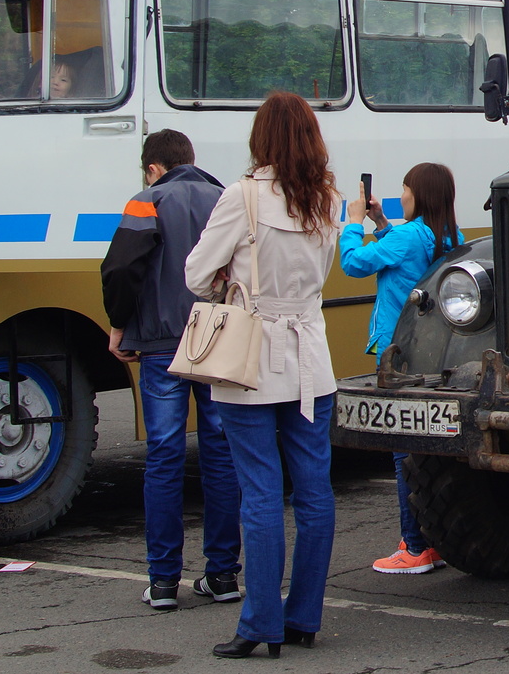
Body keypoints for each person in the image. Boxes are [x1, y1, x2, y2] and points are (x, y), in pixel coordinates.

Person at [185, 91, 342, 659]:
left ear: (262, 139)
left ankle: (260, 625)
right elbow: (323, 274)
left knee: (259, 493)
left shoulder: (242, 197)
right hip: (311, 363)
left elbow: (196, 275)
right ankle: (304, 617)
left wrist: (233, 272)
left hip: (249, 360)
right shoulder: (328, 200)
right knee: (315, 492)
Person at [100, 129, 242, 612]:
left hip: (161, 345)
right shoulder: (226, 198)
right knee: (220, 451)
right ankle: (222, 575)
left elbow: (121, 270)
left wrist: (119, 326)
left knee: (163, 455)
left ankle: (163, 583)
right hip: (217, 340)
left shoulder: (147, 200)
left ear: (153, 167)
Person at [338, 163, 463, 574]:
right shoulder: (450, 236)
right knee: (433, 451)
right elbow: (408, 256)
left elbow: (354, 264)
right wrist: (381, 222)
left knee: (403, 452)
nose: (401, 194)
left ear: (418, 194)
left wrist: (354, 223)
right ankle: (438, 539)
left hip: (398, 352)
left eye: (405, 188)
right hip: (437, 353)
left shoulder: (410, 236)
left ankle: (414, 546)